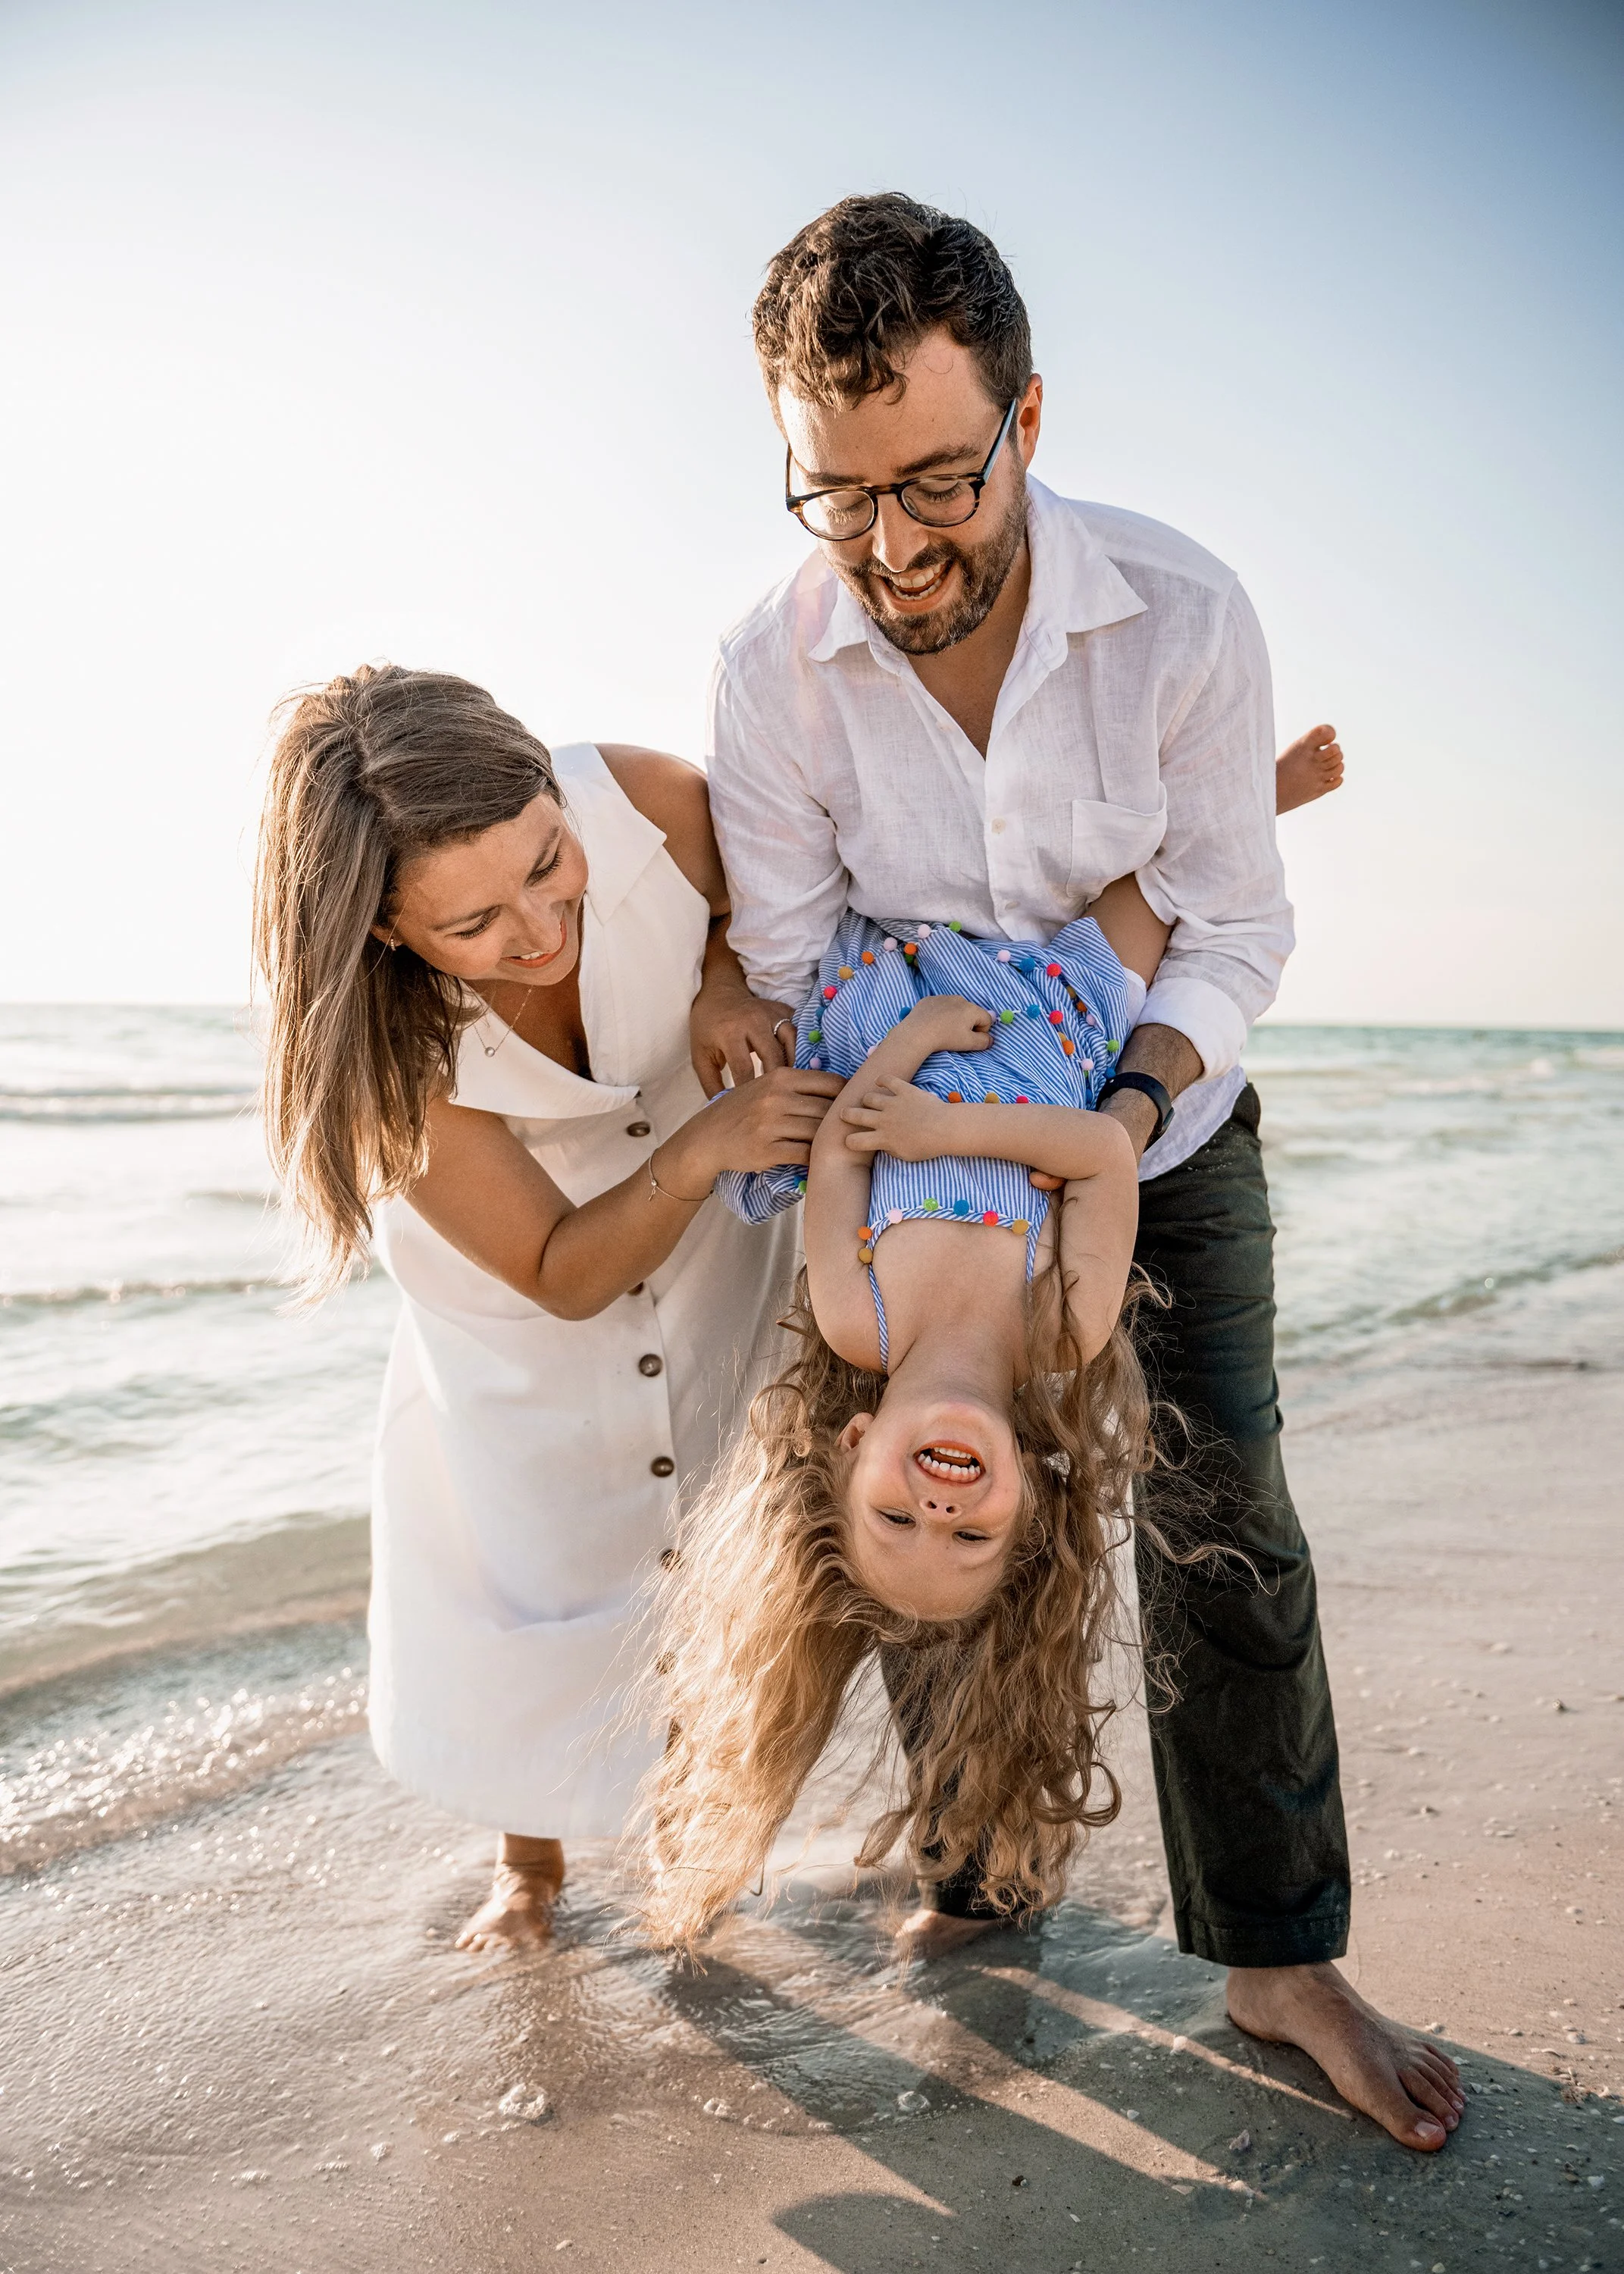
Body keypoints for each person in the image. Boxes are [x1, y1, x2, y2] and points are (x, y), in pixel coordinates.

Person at [700, 193, 1461, 2150]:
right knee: (901, 1515)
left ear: (1027, 419)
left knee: (1226, 1517)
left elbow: (1229, 930)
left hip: (1151, 1117)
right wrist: (897, 1104)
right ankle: (975, 1869)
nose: (891, 545)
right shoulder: (769, 670)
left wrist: (1105, 1128)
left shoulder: (1182, 620)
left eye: (937, 480)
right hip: (923, 1135)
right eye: (835, 497)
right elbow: (792, 968)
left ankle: (1278, 1955)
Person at [252, 664, 837, 1953]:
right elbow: (565, 1269)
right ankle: (530, 1861)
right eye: (471, 925)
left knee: (715, 1535)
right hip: (528, 1280)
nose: (537, 928)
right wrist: (699, 1153)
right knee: (539, 1555)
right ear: (384, 934)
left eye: (545, 862)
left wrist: (730, 980)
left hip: (710, 1204)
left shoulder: (644, 802)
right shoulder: (386, 1055)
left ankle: (702, 1832)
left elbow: (777, 885)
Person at [645, 876, 1191, 1946]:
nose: (938, 1510)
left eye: (896, 1519)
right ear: (1031, 1498)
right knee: (1165, 877)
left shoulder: (859, 1321)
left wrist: (907, 1062)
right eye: (972, 1534)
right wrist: (952, 1124)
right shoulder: (1062, 1325)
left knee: (865, 870)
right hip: (1055, 1006)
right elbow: (1102, 1154)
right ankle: (1254, 791)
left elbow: (844, 1147)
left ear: (852, 1450)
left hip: (889, 1018)